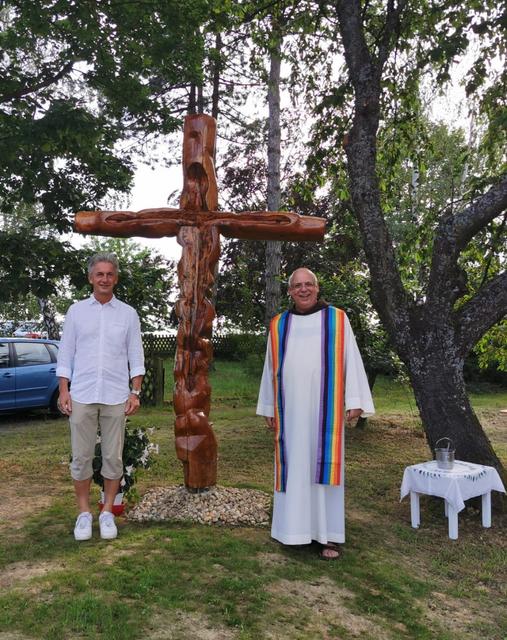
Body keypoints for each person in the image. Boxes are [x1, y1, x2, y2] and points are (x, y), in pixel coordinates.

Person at [257, 267, 374, 559]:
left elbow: (351, 360)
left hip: (326, 412)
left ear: (318, 288)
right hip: (290, 413)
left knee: (322, 469)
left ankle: (327, 536)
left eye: (309, 284)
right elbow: (270, 369)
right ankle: (291, 531)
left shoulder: (337, 319)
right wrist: (269, 406)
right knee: (293, 467)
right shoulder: (278, 325)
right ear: (289, 291)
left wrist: (355, 399)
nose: (304, 289)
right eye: (297, 286)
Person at [56, 252, 145, 541]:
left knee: (112, 457)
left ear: (115, 278)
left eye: (109, 274)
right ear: (91, 278)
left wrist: (135, 391)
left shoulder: (128, 314)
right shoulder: (76, 312)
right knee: (81, 457)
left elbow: (136, 355)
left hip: (116, 395)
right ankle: (84, 513)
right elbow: (66, 353)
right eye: (99, 274)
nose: (104, 279)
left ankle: (107, 512)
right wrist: (64, 390)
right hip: (81, 393)